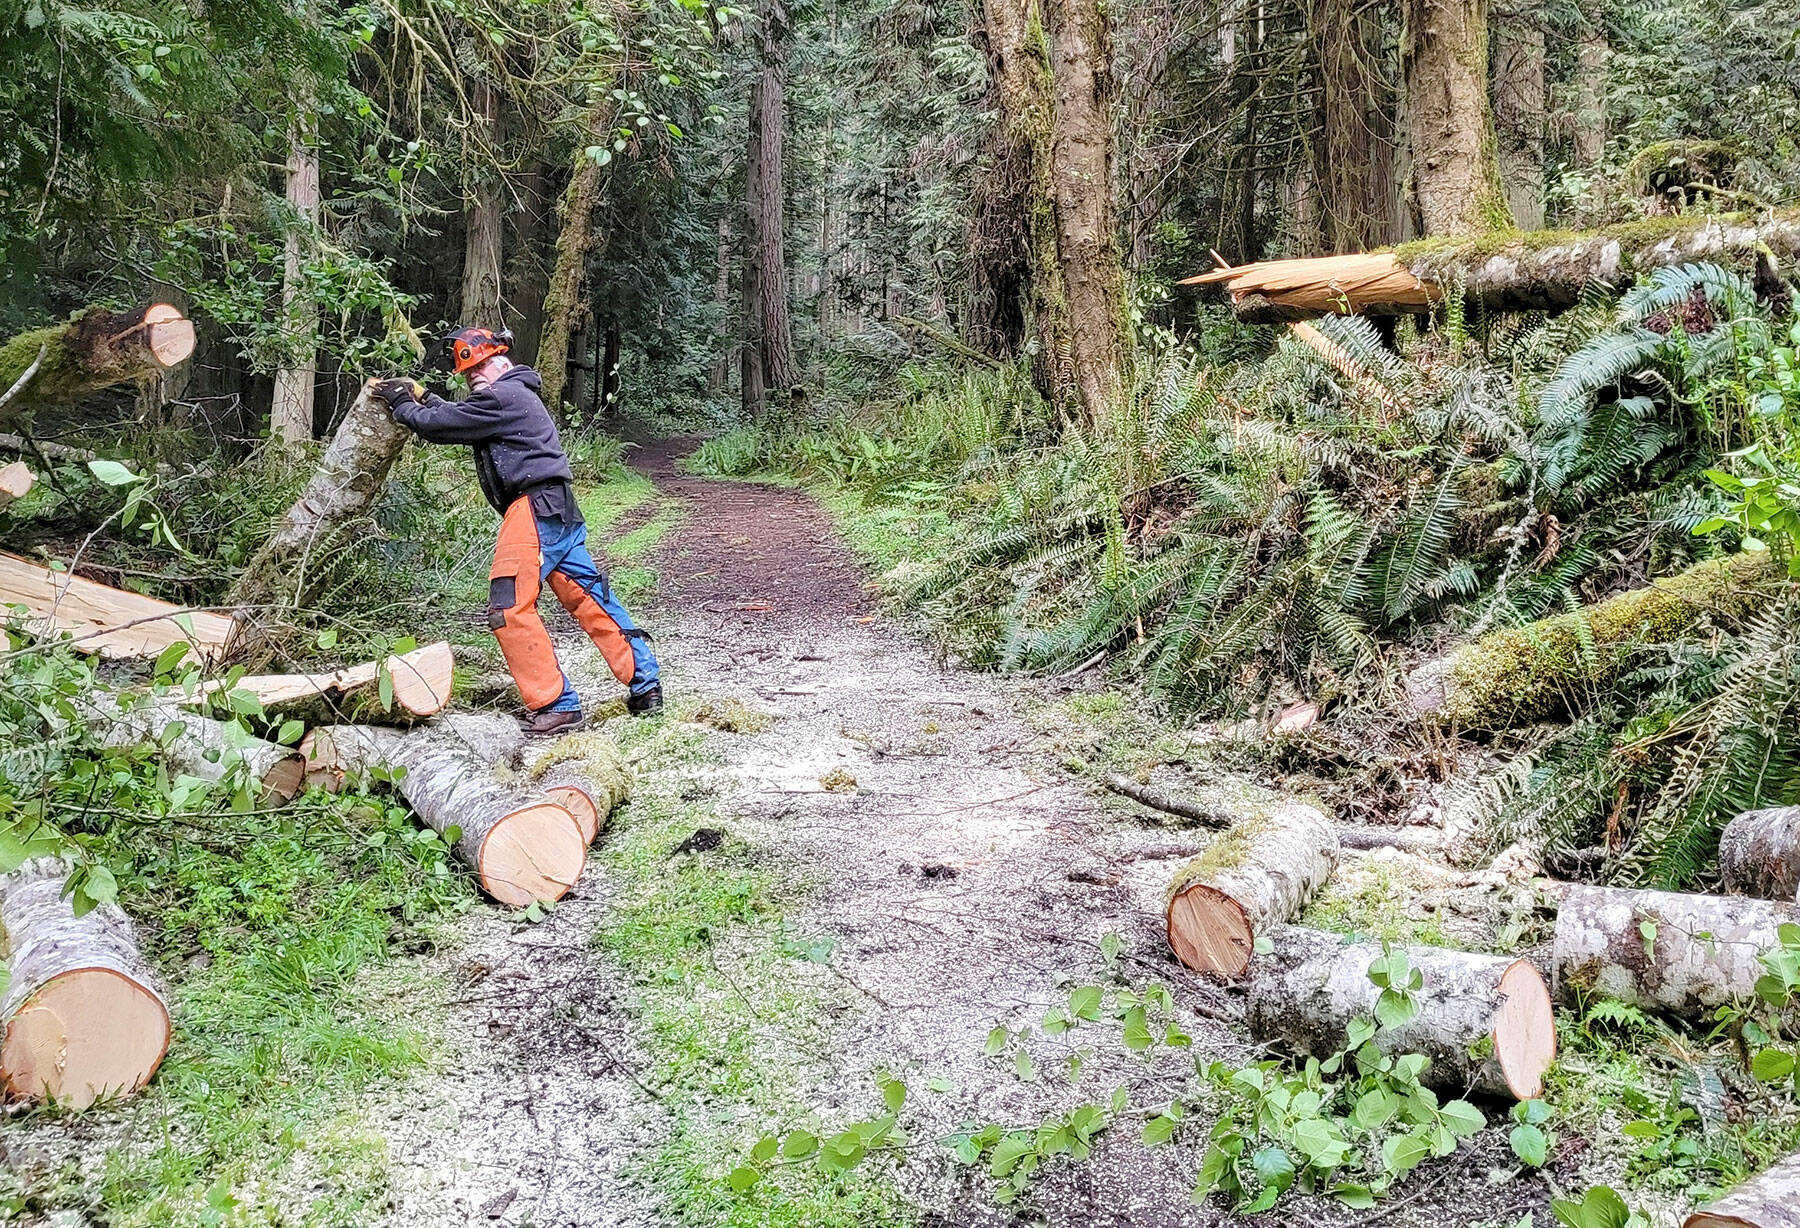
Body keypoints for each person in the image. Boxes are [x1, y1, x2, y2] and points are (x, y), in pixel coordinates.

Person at [375, 325, 661, 733]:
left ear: (502, 363)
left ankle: (555, 705)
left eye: (481, 370)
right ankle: (646, 686)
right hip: (558, 509)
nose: (475, 379)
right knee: (590, 599)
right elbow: (460, 418)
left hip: (533, 508)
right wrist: (425, 399)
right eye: (469, 376)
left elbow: (442, 425)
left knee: (508, 607)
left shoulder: (503, 394)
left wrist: (404, 405)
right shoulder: (510, 396)